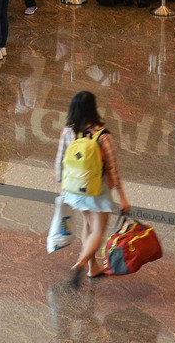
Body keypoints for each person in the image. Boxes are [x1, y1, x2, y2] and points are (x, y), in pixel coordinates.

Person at [56, 91, 131, 280]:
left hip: (75, 189)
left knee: (88, 225)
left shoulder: (67, 131)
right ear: (93, 109)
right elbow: (112, 168)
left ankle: (93, 267)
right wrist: (122, 196)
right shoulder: (102, 135)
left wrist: (62, 186)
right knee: (98, 230)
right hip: (98, 190)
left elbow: (60, 161)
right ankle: (81, 263)